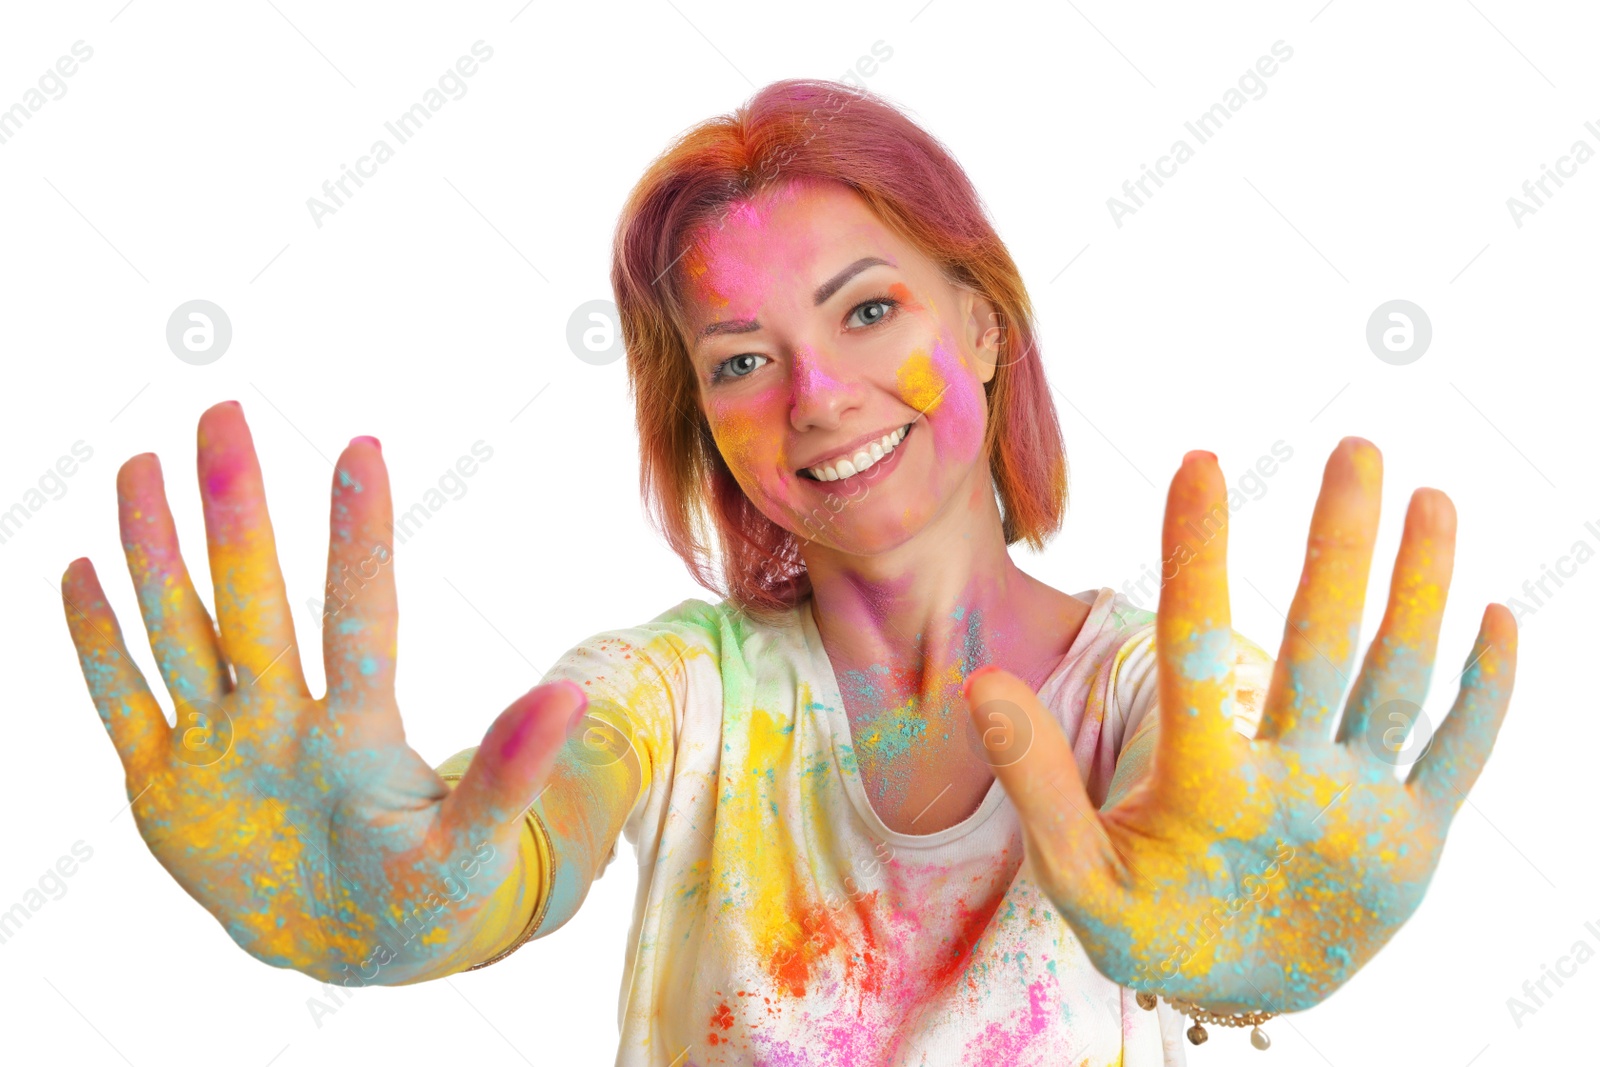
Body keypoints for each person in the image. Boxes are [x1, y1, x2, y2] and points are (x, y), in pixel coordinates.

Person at [61, 79, 1517, 1065]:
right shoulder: (674, 692)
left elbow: (1216, 861)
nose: (817, 396)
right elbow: (530, 836)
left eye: (868, 311)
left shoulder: (1159, 701)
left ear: (986, 326)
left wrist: (1236, 959)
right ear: (703, 423)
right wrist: (417, 904)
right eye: (744, 361)